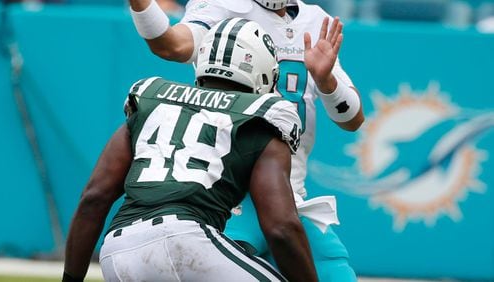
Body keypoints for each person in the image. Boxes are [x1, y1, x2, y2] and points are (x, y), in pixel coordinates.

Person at [63, 18, 317, 282]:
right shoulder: (264, 116)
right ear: (265, 72)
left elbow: (94, 197)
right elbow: (281, 227)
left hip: (119, 251)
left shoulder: (152, 100)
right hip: (189, 241)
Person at [128, 0, 365, 280]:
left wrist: (327, 83)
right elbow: (171, 45)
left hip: (288, 195)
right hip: (227, 197)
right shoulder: (222, 5)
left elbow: (352, 119)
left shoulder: (314, 20)